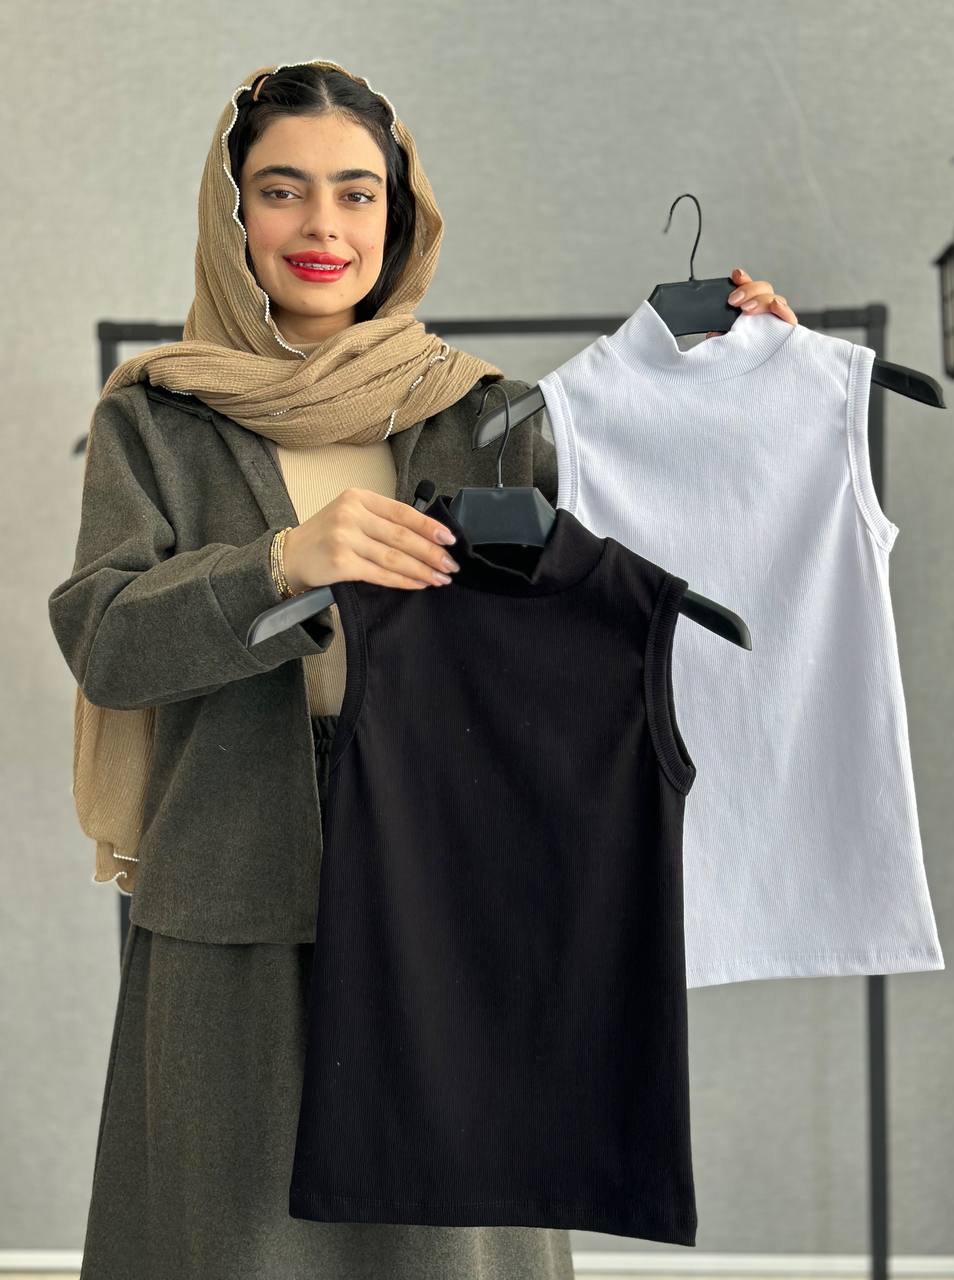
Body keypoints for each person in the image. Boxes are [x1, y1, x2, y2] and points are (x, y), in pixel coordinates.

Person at [49, 57, 794, 1280]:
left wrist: (745, 375)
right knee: (230, 1241)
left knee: (452, 1249)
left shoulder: (488, 415)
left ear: (399, 217)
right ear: (231, 214)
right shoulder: (156, 419)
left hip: (458, 881)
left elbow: (654, 545)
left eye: (357, 192)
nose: (323, 226)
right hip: (234, 893)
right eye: (282, 190)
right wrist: (282, 560)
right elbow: (107, 639)